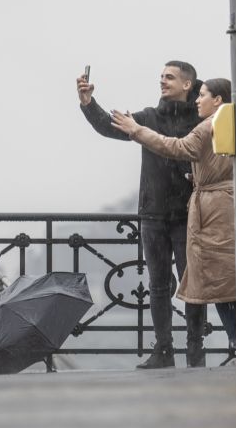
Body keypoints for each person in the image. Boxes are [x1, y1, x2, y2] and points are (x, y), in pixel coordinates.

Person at [76, 62, 202, 368]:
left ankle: (195, 351)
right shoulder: (149, 118)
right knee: (158, 285)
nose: (162, 81)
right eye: (161, 77)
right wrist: (88, 102)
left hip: (189, 216)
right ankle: (163, 350)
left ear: (187, 84)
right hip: (153, 215)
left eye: (169, 77)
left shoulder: (201, 120)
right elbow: (108, 126)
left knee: (195, 287)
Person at [111, 78, 236, 366]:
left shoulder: (208, 125)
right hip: (220, 204)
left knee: (216, 279)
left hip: (213, 211)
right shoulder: (227, 122)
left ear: (218, 99)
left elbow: (178, 148)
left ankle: (235, 340)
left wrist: (137, 130)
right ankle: (220, 343)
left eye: (203, 95)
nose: (198, 100)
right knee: (220, 278)